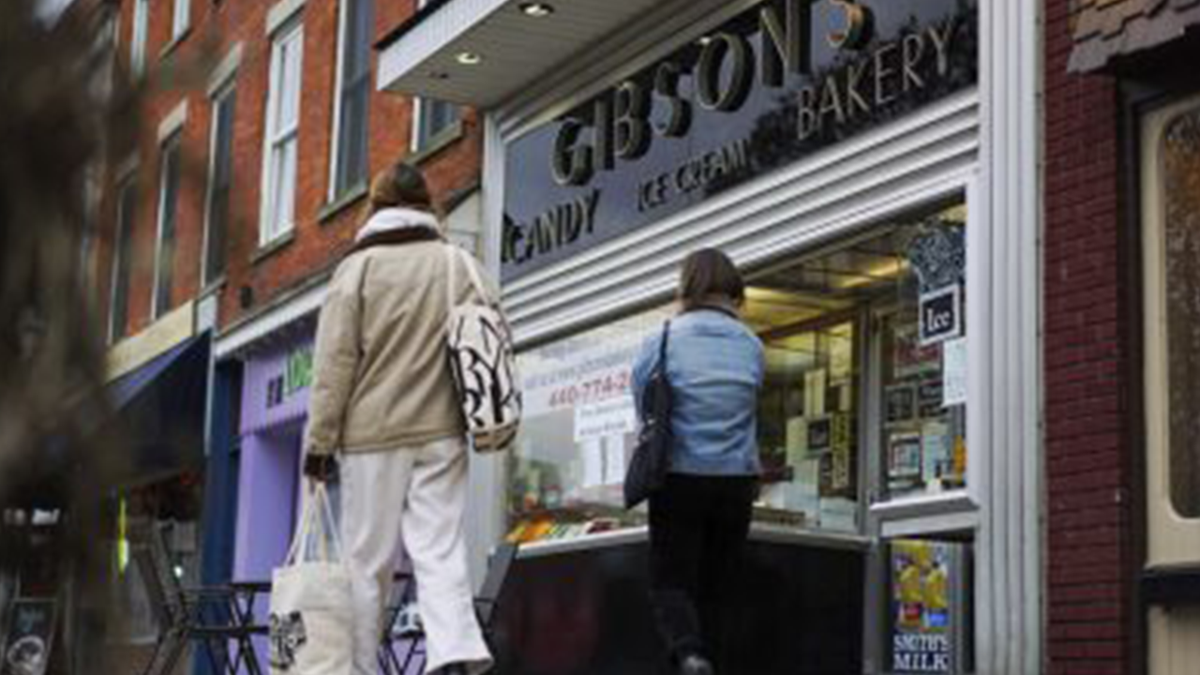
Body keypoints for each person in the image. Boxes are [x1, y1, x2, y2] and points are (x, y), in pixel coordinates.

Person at [302, 162, 495, 675]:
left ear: (376, 205)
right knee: (439, 549)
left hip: (371, 437)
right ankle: (453, 652)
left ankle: (362, 667)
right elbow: (490, 331)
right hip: (442, 431)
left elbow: (333, 365)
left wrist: (319, 445)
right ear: (426, 204)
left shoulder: (356, 271)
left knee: (367, 565)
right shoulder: (459, 264)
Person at [631, 249, 764, 675]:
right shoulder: (752, 345)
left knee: (671, 579)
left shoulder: (664, 338)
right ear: (734, 291)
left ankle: (689, 653)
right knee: (720, 587)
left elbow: (642, 399)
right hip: (736, 480)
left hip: (678, 474)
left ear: (687, 286)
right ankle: (713, 662)